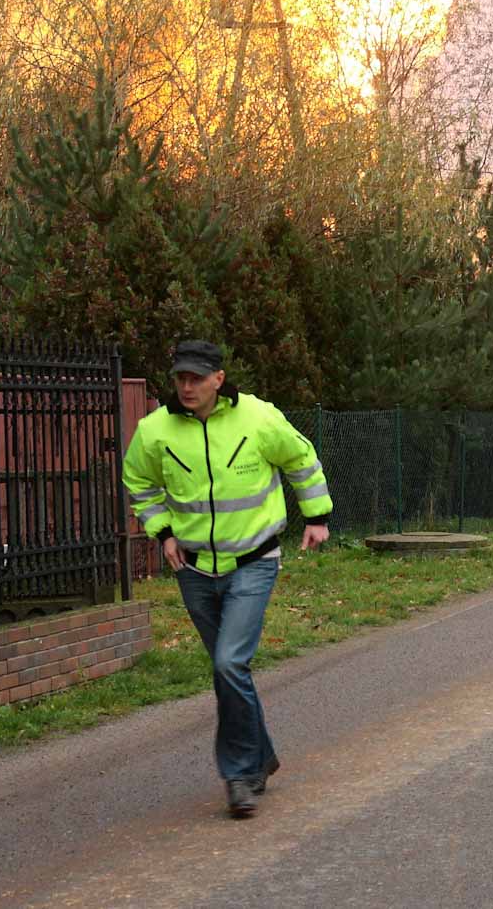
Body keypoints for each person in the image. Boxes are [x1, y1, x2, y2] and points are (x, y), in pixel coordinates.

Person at [121, 340, 332, 818]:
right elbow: (138, 482)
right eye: (181, 378)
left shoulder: (257, 418)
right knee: (227, 668)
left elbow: (301, 458)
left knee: (229, 664)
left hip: (254, 560)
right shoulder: (155, 431)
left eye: (198, 377)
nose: (188, 386)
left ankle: (239, 776)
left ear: (219, 378)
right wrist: (163, 532)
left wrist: (316, 515)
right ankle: (262, 754)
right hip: (193, 569)